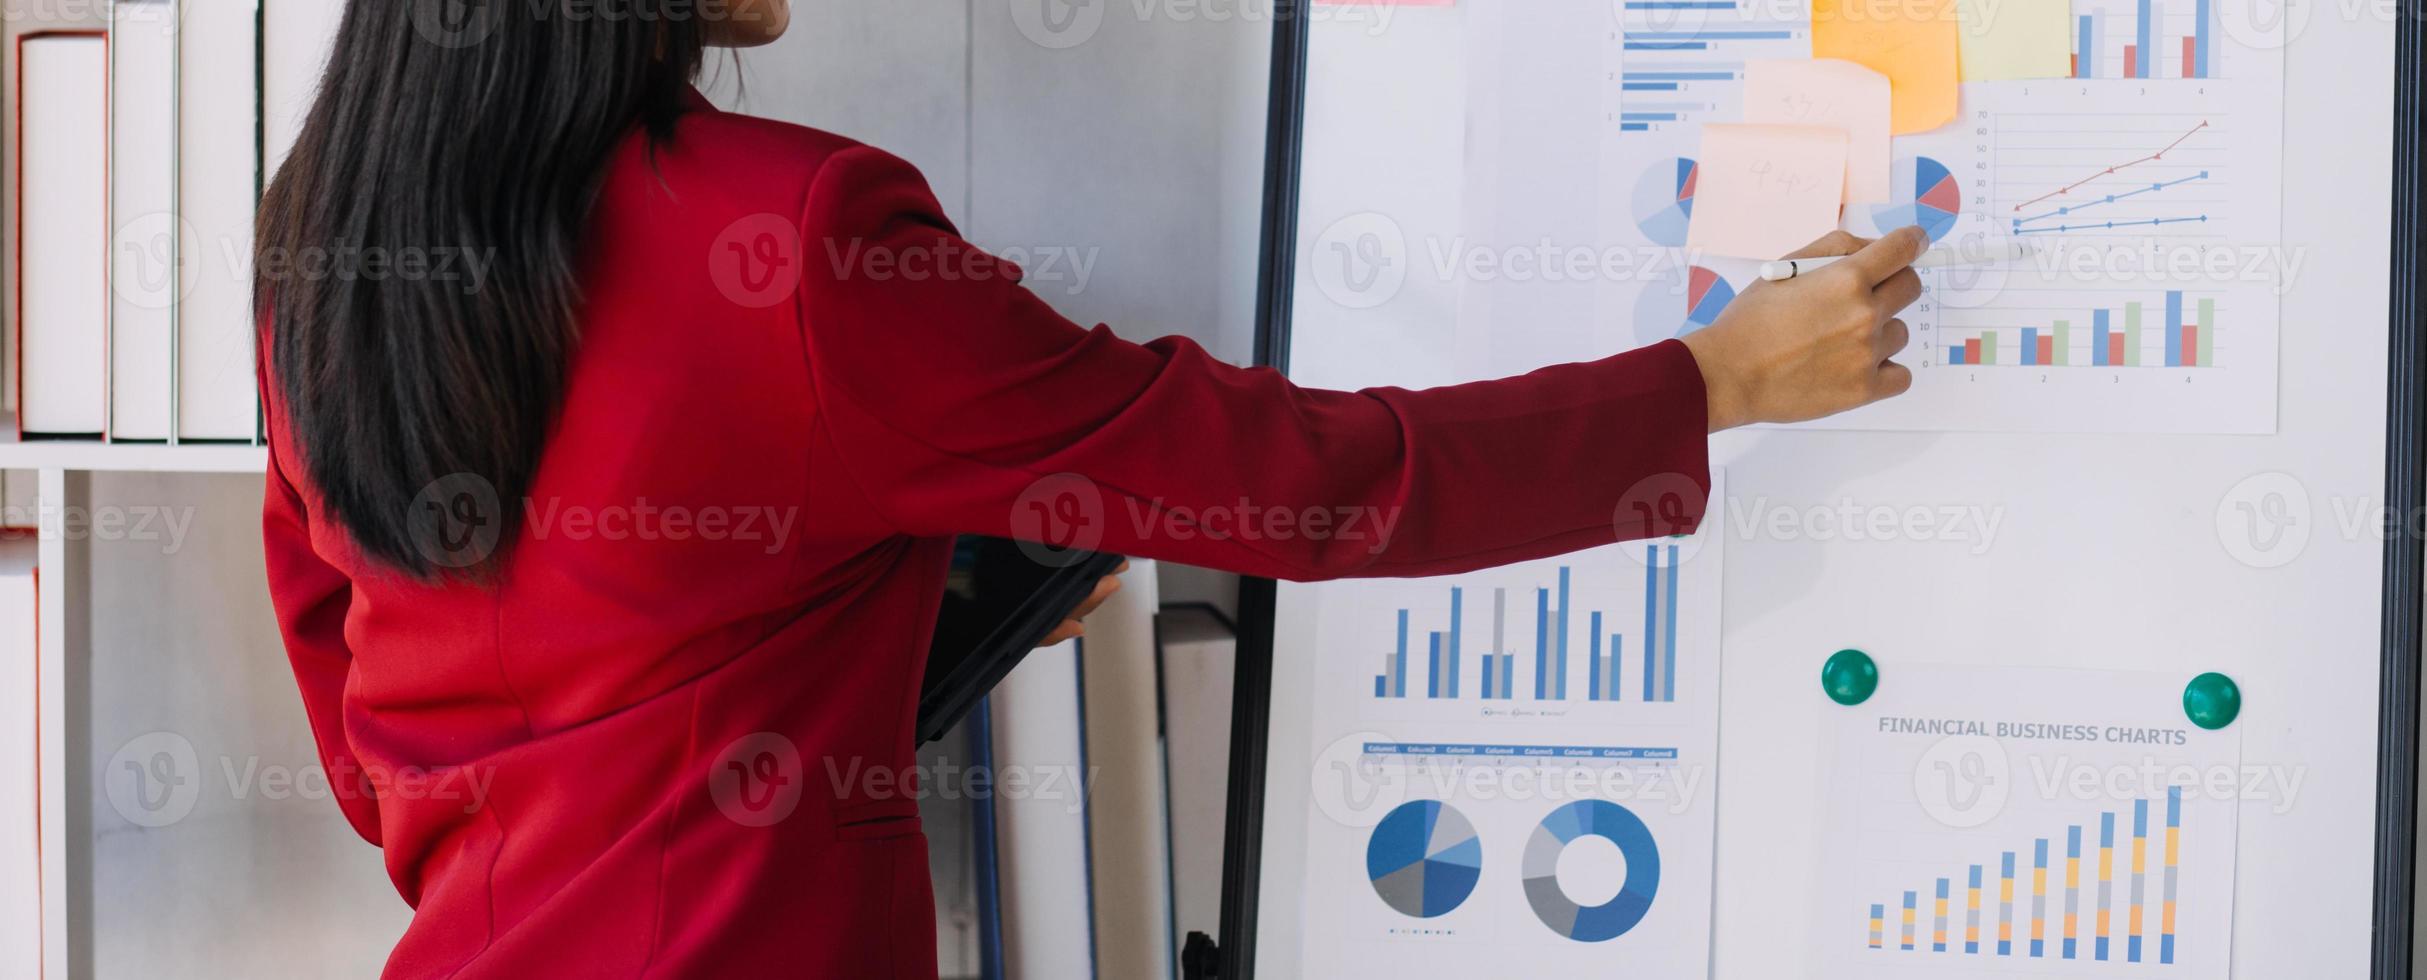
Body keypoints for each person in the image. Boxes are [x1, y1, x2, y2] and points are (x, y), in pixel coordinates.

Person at [254, 2, 1923, 976]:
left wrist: (897, 633)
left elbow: (380, 718)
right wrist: (1711, 384)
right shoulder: (806, 246)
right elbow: (1295, 483)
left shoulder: (322, 244)